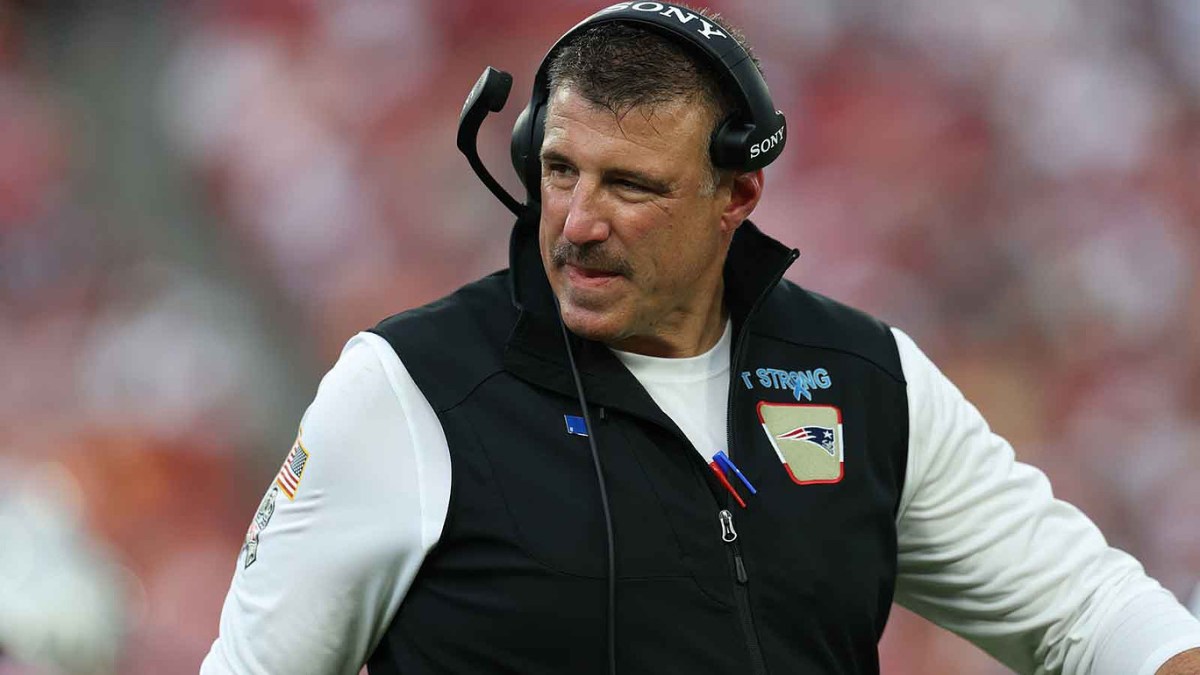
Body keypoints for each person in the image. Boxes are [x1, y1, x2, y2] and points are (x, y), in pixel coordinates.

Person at [202, 3, 1200, 674]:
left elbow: (1104, 619)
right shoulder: (408, 392)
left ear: (738, 195)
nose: (577, 221)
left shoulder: (866, 385)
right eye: (560, 170)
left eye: (631, 185)